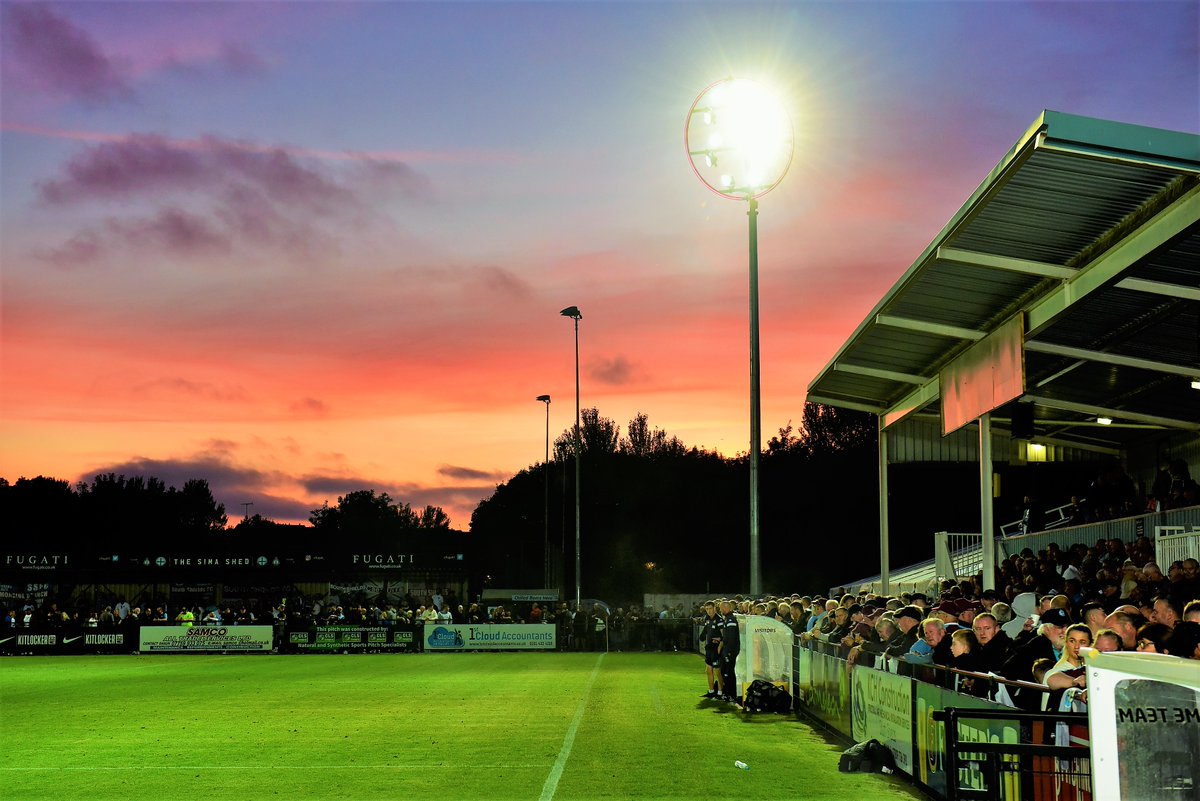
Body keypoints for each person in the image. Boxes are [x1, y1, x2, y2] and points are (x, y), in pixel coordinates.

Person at [698, 601, 722, 699]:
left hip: (716, 649)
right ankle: (711, 691)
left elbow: (723, 635)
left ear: (715, 608)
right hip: (709, 649)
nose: (708, 611)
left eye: (710, 608)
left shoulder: (719, 620)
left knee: (718, 672)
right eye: (707, 609)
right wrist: (702, 636)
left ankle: (720, 693)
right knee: (708, 670)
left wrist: (720, 648)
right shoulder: (707, 618)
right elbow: (706, 630)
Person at [717, 600, 740, 703]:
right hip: (727, 650)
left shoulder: (731, 620)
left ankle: (731, 695)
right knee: (724, 672)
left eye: (721, 608)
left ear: (726, 608)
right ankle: (727, 693)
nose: (720, 610)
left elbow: (731, 638)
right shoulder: (727, 619)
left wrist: (728, 652)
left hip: (730, 651)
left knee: (728, 673)